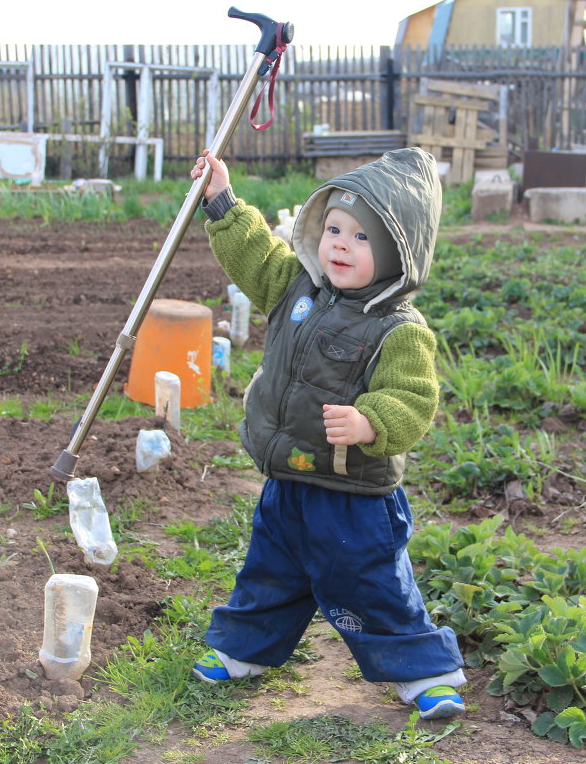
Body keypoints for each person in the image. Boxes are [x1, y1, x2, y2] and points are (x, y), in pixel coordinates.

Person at [186, 146, 467, 721]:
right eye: (333, 229)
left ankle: (427, 673)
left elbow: (413, 399)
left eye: (361, 238)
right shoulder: (297, 290)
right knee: (270, 572)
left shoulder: (399, 331)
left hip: (354, 496)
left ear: (395, 254)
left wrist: (370, 421)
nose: (340, 243)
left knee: (372, 584)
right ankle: (243, 650)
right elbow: (256, 257)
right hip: (289, 479)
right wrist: (222, 201)